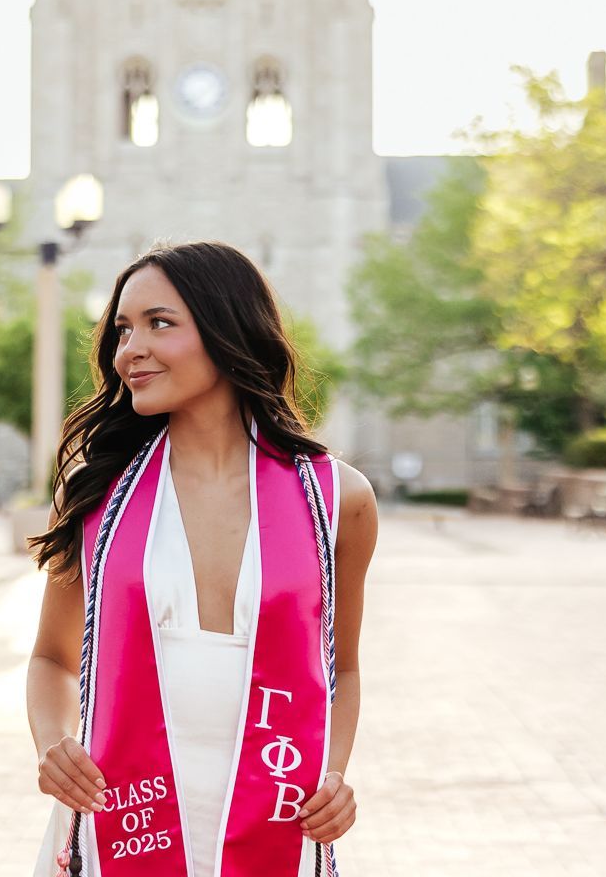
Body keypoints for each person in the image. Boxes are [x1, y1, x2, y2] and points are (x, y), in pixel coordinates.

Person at [25, 241, 378, 876]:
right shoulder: (95, 496)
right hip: (124, 827)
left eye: (160, 323)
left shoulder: (337, 499)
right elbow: (53, 656)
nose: (130, 349)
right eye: (123, 329)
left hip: (273, 821)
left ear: (226, 329)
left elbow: (341, 670)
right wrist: (54, 745)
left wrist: (332, 775)